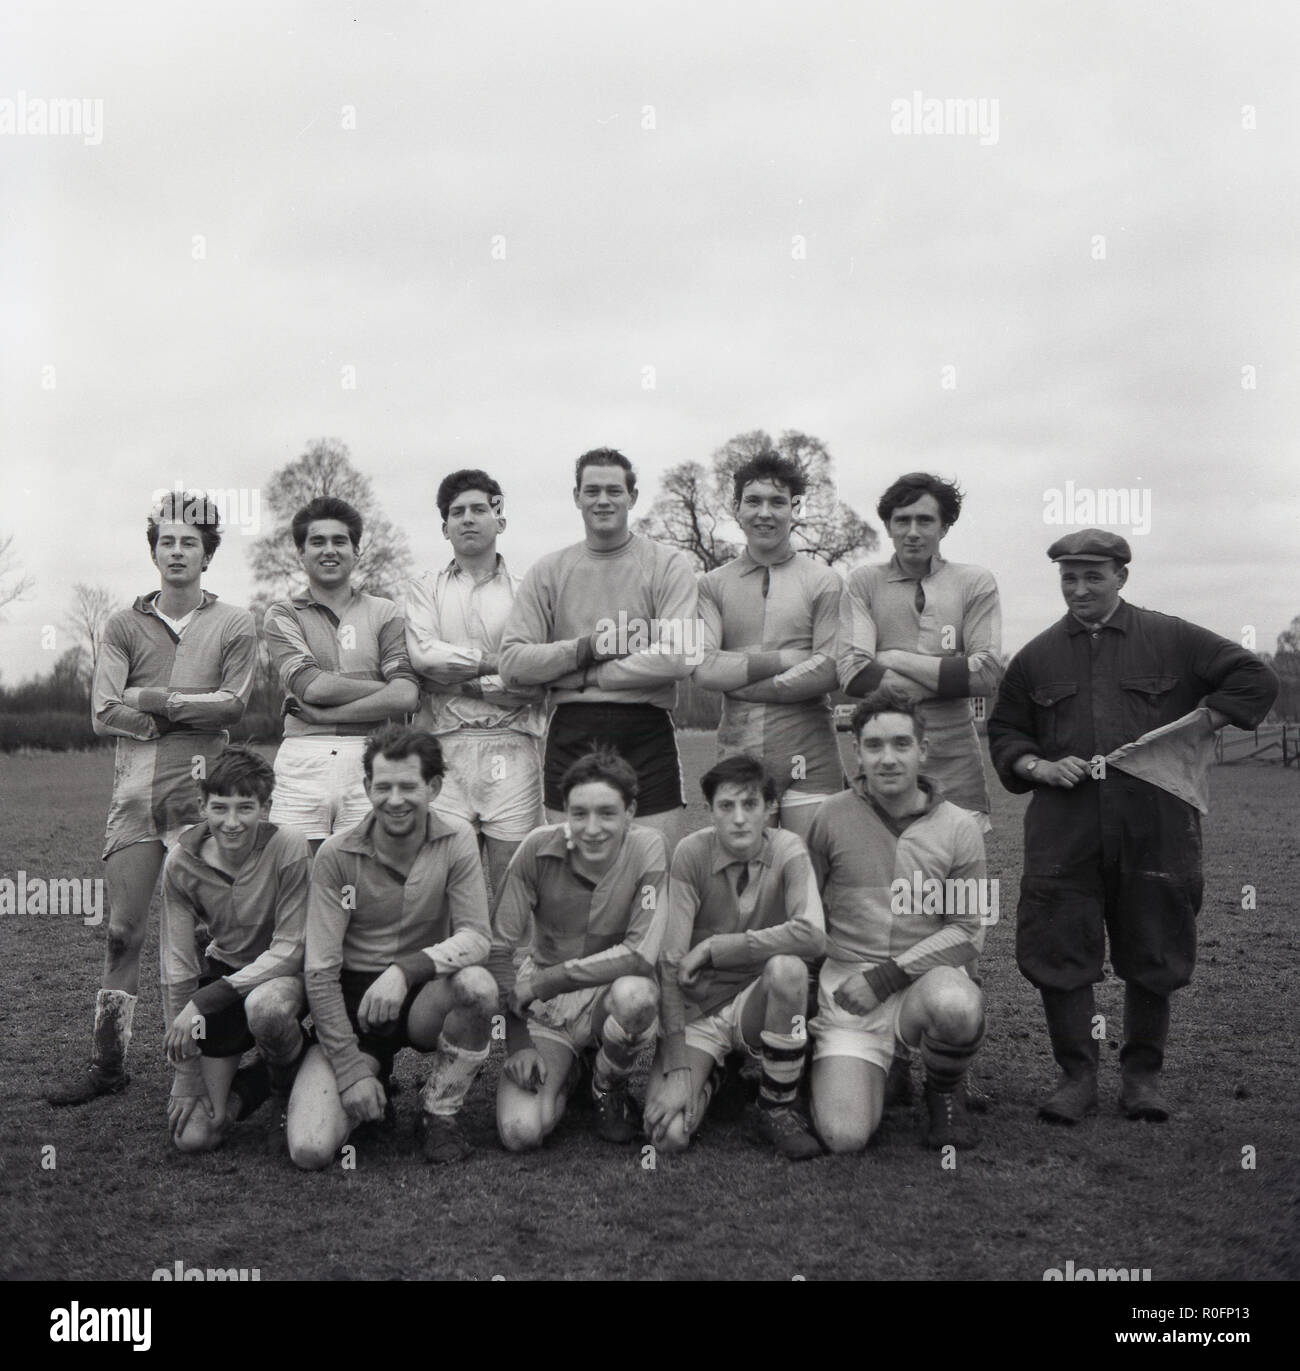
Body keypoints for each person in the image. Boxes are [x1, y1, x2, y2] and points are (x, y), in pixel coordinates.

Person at [987, 529, 1278, 1124]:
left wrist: (1197, 724)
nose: (1080, 588)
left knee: (1156, 946)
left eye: (1093, 576)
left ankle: (1142, 1078)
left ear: (1122, 576)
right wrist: (1036, 764)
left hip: (1157, 827)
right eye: (1069, 577)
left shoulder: (1173, 638)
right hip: (1064, 830)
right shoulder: (1037, 656)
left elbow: (1255, 680)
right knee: (1059, 947)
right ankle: (1077, 1078)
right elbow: (1006, 732)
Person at [49, 491, 257, 1106]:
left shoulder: (234, 623)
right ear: (153, 551)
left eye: (189, 541)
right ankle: (109, 1066)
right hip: (136, 798)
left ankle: (209, 1065)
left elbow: (235, 705)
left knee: (209, 937)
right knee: (121, 933)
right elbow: (101, 715)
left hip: (204, 801)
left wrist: (150, 698)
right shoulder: (121, 625)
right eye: (166, 541)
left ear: (207, 554)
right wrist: (185, 711)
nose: (176, 551)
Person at [288, 725, 497, 1168]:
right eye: (383, 787)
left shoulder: (457, 839)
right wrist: (348, 1073)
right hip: (354, 1007)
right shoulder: (335, 854)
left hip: (422, 996)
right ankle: (368, 1075)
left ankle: (439, 1113)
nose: (395, 799)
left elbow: (476, 936)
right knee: (310, 1150)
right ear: (366, 787)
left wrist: (405, 970)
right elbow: (320, 971)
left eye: (408, 786)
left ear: (434, 787)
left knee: (477, 987)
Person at [806, 687, 988, 1152]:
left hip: (922, 980)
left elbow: (968, 931)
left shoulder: (961, 826)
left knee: (957, 1005)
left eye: (901, 744)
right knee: (843, 1137)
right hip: (849, 987)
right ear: (857, 751)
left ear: (923, 751)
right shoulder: (829, 817)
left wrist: (888, 977)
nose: (887, 759)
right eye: (874, 745)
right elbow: (809, 916)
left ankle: (944, 1092)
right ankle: (878, 1067)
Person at [498, 448, 698, 856]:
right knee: (574, 874)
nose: (602, 500)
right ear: (576, 497)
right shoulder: (548, 571)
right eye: (592, 491)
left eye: (613, 490)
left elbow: (679, 656)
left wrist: (587, 676)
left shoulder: (668, 564)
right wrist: (589, 647)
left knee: (653, 868)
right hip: (574, 728)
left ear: (632, 496)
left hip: (647, 729)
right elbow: (513, 664)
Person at [643, 755, 826, 1160]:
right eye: (726, 806)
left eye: (750, 805)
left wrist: (714, 948)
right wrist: (677, 1068)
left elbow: (813, 935)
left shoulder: (788, 848)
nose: (739, 818)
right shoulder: (691, 853)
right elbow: (671, 963)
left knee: (789, 969)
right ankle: (717, 1076)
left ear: (770, 808)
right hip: (701, 1009)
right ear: (710, 811)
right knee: (668, 1137)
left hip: (756, 1002)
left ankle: (775, 1105)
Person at [490, 749, 668, 1150]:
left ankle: (609, 1084)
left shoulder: (649, 848)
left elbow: (640, 954)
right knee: (522, 1132)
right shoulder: (536, 849)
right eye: (578, 813)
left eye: (607, 813)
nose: (591, 828)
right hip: (547, 1011)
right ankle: (573, 1069)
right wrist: (518, 1042)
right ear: (562, 813)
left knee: (637, 995)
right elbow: (498, 949)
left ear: (630, 811)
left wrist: (547, 981)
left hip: (606, 994)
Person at [160, 746, 309, 1154]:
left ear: (266, 807)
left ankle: (287, 1069)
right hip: (225, 973)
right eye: (219, 807)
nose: (231, 822)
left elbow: (292, 949)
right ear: (202, 805)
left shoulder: (290, 846)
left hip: (287, 980)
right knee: (195, 1137)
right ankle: (256, 1082)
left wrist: (206, 1000)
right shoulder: (179, 862)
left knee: (267, 1009)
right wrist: (187, 1072)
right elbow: (176, 964)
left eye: (245, 808)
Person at [404, 470, 545, 899]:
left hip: (513, 746)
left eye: (479, 509)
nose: (468, 519)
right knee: (444, 887)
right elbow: (424, 656)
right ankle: (449, 966)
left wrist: (458, 683)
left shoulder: (529, 592)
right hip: (443, 746)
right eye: (457, 512)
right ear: (444, 527)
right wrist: (495, 664)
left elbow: (534, 679)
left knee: (513, 883)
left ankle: (510, 965)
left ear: (499, 520)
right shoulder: (423, 588)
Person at [838, 472, 1001, 830]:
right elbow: (853, 673)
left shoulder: (974, 582)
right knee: (882, 881)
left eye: (925, 520)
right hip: (884, 758)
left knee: (956, 882)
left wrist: (893, 657)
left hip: (957, 762)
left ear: (944, 527)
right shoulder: (863, 582)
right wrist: (951, 676)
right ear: (888, 526)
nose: (913, 531)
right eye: (902, 520)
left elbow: (985, 675)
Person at [693, 453, 843, 841]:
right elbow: (705, 669)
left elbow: (829, 668)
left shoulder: (825, 581)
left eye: (778, 502)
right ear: (736, 508)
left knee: (811, 879)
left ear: (794, 509)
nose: (765, 513)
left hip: (810, 755)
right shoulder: (711, 585)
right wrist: (789, 659)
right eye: (754, 501)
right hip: (739, 753)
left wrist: (749, 684)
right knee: (748, 885)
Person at [263, 496, 419, 852]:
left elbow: (408, 696)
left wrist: (324, 714)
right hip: (304, 759)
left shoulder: (386, 612)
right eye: (317, 542)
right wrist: (385, 689)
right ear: (300, 553)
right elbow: (313, 686)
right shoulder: (282, 614)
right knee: (298, 883)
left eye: (340, 541)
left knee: (367, 884)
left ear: (357, 550)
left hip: (374, 755)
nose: (329, 550)